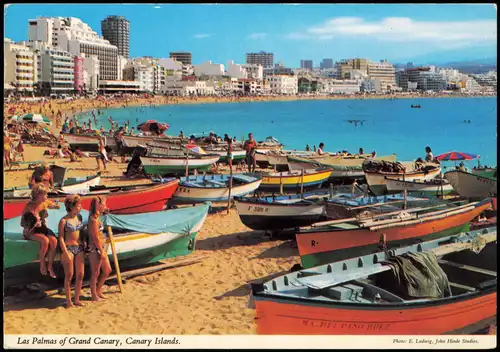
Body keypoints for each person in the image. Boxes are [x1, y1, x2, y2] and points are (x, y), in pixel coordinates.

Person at [20, 185, 60, 277]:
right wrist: (33, 221)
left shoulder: (44, 203)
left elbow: (53, 204)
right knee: (45, 241)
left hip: (42, 228)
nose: (47, 196)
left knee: (54, 241)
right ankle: (42, 263)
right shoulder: (29, 207)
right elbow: (22, 223)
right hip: (31, 230)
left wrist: (55, 205)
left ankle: (50, 266)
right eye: (45, 194)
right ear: (39, 195)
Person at [58, 195, 85, 308]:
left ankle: (77, 299)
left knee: (80, 274)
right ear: (72, 206)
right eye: (78, 205)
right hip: (69, 248)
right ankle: (69, 301)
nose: (80, 207)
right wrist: (65, 252)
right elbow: (61, 238)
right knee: (69, 275)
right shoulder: (64, 221)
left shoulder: (79, 217)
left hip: (79, 248)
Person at [87, 197, 112, 301]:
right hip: (95, 248)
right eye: (104, 204)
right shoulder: (93, 219)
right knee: (95, 272)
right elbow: (95, 237)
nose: (105, 206)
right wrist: (101, 251)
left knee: (107, 270)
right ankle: (94, 294)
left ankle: (98, 290)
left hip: (100, 246)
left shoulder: (97, 218)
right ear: (98, 205)